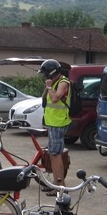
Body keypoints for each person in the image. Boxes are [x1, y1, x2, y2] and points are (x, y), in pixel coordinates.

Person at [39, 59, 71, 189]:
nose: (44, 76)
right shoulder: (54, 83)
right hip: (53, 123)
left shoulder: (63, 82)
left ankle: (60, 186)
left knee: (56, 155)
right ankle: (56, 184)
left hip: (59, 123)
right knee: (53, 154)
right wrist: (47, 87)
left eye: (45, 73)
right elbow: (44, 99)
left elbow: (55, 98)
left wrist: (49, 87)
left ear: (50, 73)